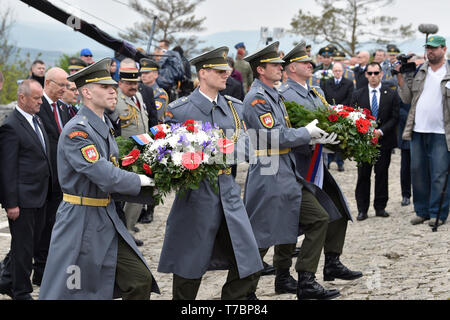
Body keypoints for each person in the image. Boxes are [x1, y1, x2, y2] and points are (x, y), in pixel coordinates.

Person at [38, 58, 159, 299]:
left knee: (139, 280)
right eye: (105, 87)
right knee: (75, 290)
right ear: (87, 92)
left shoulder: (101, 125)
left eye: (112, 86)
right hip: (81, 221)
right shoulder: (78, 131)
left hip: (106, 216)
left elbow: (115, 165)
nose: (113, 90)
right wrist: (140, 181)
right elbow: (104, 173)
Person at [158, 47, 263, 300]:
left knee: (249, 258)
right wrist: (220, 147)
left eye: (226, 70)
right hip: (195, 194)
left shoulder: (235, 107)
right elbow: (167, 154)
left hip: (227, 190)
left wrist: (209, 148)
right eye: (219, 71)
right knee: (189, 264)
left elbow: (248, 146)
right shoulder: (179, 110)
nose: (226, 74)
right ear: (203, 73)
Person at [243, 41, 342, 300]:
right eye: (275, 64)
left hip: (286, 169)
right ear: (261, 70)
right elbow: (273, 136)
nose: (280, 67)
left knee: (317, 218)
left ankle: (304, 281)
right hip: (268, 169)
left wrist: (312, 138)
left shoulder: (272, 93)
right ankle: (241, 291)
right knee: (263, 233)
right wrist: (305, 133)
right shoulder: (256, 98)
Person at [279, 41, 361, 288]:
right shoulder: (284, 94)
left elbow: (328, 120)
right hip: (298, 165)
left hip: (318, 162)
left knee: (339, 209)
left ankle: (332, 261)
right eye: (305, 62)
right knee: (291, 220)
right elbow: (286, 132)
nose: (310, 65)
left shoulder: (317, 92)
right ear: (292, 68)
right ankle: (283, 273)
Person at [0, 80, 52, 300]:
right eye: (37, 98)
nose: (41, 102)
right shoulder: (11, 126)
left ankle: (6, 281)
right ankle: (21, 291)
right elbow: (7, 169)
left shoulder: (36, 120)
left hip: (40, 195)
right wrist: (11, 203)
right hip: (23, 198)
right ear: (22, 98)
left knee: (30, 244)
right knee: (23, 248)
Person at [396, 35, 450, 226]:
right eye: (428, 48)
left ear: (443, 49)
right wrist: (401, 75)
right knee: (418, 172)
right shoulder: (420, 71)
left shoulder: (448, 71)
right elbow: (406, 98)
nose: (430, 51)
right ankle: (422, 211)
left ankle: (438, 213)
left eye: (434, 48)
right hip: (418, 129)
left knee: (439, 174)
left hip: (442, 132)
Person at [33, 67, 70, 285]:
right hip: (44, 179)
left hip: (60, 178)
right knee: (41, 227)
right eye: (61, 85)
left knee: (54, 225)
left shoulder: (63, 108)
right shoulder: (39, 106)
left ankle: (46, 267)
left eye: (67, 85)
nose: (65, 89)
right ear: (48, 83)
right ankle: (38, 269)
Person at [351, 62, 400, 221]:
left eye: (376, 73)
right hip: (364, 143)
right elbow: (352, 117)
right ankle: (362, 209)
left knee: (382, 175)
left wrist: (380, 131)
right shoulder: (358, 94)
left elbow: (395, 116)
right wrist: (365, 130)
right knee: (363, 175)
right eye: (370, 73)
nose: (373, 76)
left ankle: (380, 207)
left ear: (381, 74)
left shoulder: (390, 93)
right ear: (366, 75)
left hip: (383, 141)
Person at [111, 59, 150, 246]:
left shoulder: (139, 98)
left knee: (139, 195)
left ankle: (127, 230)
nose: (133, 86)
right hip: (123, 156)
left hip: (141, 153)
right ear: (120, 83)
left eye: (135, 83)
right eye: (129, 83)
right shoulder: (114, 101)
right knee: (123, 197)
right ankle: (121, 234)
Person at [322, 62, 354, 171]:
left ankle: (340, 162)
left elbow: (350, 98)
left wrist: (340, 108)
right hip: (329, 113)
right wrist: (330, 108)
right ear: (332, 71)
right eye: (335, 71)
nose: (337, 73)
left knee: (341, 138)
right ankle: (329, 160)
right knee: (330, 137)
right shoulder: (327, 82)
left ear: (343, 71)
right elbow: (324, 97)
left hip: (342, 113)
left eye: (339, 71)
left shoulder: (348, 83)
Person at [139, 58, 169, 123]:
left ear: (156, 75)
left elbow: (155, 115)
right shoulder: (138, 90)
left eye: (146, 73)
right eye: (142, 73)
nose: (143, 75)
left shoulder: (160, 94)